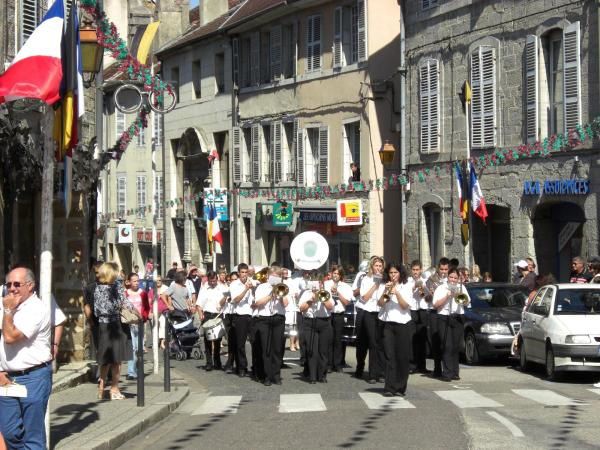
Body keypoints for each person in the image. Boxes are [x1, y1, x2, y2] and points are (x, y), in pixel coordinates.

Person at [0, 267, 53, 449]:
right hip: (8, 378)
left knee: (32, 434)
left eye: (17, 284)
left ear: (30, 286)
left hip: (33, 376)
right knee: (9, 431)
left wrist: (7, 311)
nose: (12, 289)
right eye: (9, 284)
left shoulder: (37, 308)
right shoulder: (7, 305)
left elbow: (10, 337)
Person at [94, 263, 138, 400]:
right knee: (117, 360)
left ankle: (101, 385)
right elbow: (124, 302)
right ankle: (114, 388)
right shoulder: (116, 287)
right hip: (116, 325)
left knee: (106, 359)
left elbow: (96, 310)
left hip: (103, 325)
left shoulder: (97, 288)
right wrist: (137, 313)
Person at [377, 263, 413, 397]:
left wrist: (396, 292)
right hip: (387, 324)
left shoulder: (406, 285)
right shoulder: (383, 285)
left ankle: (400, 387)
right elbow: (380, 303)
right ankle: (389, 387)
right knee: (389, 355)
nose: (393, 276)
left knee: (402, 356)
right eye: (391, 273)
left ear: (400, 274)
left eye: (395, 273)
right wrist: (385, 292)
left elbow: (404, 306)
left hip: (402, 323)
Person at [252, 267, 288, 386]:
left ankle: (276, 376)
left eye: (277, 276)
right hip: (264, 319)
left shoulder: (283, 286)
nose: (275, 278)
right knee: (266, 348)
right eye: (273, 275)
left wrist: (280, 295)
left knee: (277, 348)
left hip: (278, 318)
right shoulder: (262, 287)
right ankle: (267, 376)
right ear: (268, 276)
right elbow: (257, 304)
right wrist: (270, 295)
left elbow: (286, 304)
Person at [432, 268, 468, 382]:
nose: (453, 280)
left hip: (457, 317)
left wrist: (459, 295)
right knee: (447, 345)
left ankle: (454, 372)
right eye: (451, 277)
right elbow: (435, 304)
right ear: (448, 277)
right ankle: (447, 373)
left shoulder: (461, 287)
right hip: (444, 317)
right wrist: (447, 296)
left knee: (455, 346)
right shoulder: (441, 288)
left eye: (455, 278)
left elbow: (467, 303)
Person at [299, 277, 334, 384]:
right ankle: (313, 376)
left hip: (324, 322)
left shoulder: (326, 293)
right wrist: (311, 301)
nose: (317, 286)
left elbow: (330, 307)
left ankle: (322, 375)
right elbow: (301, 308)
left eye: (319, 283)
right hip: (310, 322)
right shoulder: (306, 293)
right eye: (315, 283)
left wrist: (322, 298)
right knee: (312, 350)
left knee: (323, 351)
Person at [358, 256, 386, 384]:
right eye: (376, 266)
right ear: (372, 267)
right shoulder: (366, 279)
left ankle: (381, 372)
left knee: (381, 343)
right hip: (369, 312)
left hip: (381, 313)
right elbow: (364, 297)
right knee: (373, 343)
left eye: (380, 266)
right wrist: (375, 285)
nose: (378, 268)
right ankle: (373, 374)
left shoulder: (385, 280)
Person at [196, 271, 227, 371]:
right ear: (208, 280)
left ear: (217, 279)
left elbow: (227, 299)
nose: (213, 283)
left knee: (218, 339)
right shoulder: (204, 288)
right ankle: (209, 363)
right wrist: (201, 314)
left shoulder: (222, 287)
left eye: (214, 281)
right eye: (211, 281)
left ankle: (217, 362)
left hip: (218, 315)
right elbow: (199, 303)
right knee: (207, 340)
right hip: (208, 315)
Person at [425, 257, 450, 377]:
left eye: (446, 269)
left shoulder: (451, 279)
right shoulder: (431, 280)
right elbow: (426, 298)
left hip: (447, 312)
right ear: (438, 268)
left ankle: (448, 369)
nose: (444, 271)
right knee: (435, 340)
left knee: (446, 341)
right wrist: (430, 294)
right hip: (435, 312)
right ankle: (437, 368)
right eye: (442, 269)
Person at [325, 267, 352, 373]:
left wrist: (338, 293)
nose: (335, 275)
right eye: (334, 273)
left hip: (339, 314)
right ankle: (328, 364)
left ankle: (337, 364)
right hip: (328, 314)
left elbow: (346, 303)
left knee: (338, 340)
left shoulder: (345, 287)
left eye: (337, 273)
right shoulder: (326, 284)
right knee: (328, 339)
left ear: (341, 275)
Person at [230, 263, 255, 377]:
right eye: (243, 272)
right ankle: (242, 367)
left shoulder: (252, 282)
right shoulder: (234, 284)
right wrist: (246, 289)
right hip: (240, 316)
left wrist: (253, 288)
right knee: (240, 344)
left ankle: (256, 367)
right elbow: (236, 299)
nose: (245, 275)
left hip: (252, 315)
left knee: (255, 342)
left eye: (246, 272)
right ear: (239, 273)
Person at [125, 273, 150, 380]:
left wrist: (144, 317)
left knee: (139, 348)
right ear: (129, 282)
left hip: (139, 323)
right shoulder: (125, 293)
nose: (136, 283)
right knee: (132, 348)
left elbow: (146, 307)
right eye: (134, 281)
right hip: (129, 324)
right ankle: (131, 372)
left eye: (137, 281)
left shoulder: (143, 293)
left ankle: (138, 370)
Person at [408, 260, 430, 374]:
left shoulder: (425, 281)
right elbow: (406, 294)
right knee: (412, 338)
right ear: (411, 270)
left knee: (422, 338)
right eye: (414, 270)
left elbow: (427, 297)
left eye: (417, 270)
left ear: (421, 270)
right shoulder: (408, 281)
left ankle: (422, 366)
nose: (415, 272)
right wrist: (413, 286)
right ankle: (412, 365)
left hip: (422, 310)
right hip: (412, 310)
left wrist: (423, 288)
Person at [351, 259, 369, 379]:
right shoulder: (361, 275)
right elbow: (355, 293)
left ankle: (375, 371)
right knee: (361, 341)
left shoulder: (379, 277)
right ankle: (359, 367)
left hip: (375, 310)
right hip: (362, 309)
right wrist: (363, 283)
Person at [150, 276, 169, 349]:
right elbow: (149, 302)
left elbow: (169, 299)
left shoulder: (166, 289)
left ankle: (162, 342)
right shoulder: (152, 291)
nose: (158, 282)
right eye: (156, 280)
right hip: (154, 311)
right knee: (155, 327)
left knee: (163, 325)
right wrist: (149, 312)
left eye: (159, 280)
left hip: (164, 311)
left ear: (162, 281)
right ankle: (156, 341)